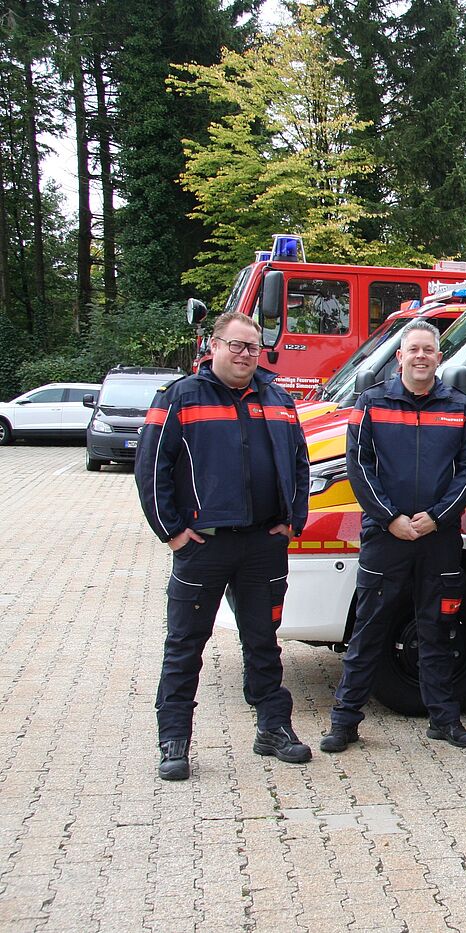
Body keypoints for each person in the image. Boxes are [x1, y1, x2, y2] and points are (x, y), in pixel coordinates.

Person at [136, 310, 311, 781]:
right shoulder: (179, 398)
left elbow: (299, 461)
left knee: (263, 642)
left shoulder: (278, 399)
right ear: (213, 346)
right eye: (235, 345)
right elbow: (151, 468)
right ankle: (174, 740)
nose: (244, 355)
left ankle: (273, 728)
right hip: (204, 545)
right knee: (185, 644)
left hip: (262, 544)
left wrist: (294, 519)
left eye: (252, 347)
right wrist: (170, 532)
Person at [320, 320, 466, 754]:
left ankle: (444, 719)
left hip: (438, 538)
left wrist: (435, 517)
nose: (421, 356)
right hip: (385, 537)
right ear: (400, 356)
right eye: (413, 349)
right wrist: (391, 518)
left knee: (438, 629)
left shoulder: (461, 408)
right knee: (369, 630)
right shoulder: (371, 403)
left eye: (429, 350)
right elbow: (359, 466)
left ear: (439, 356)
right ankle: (345, 721)